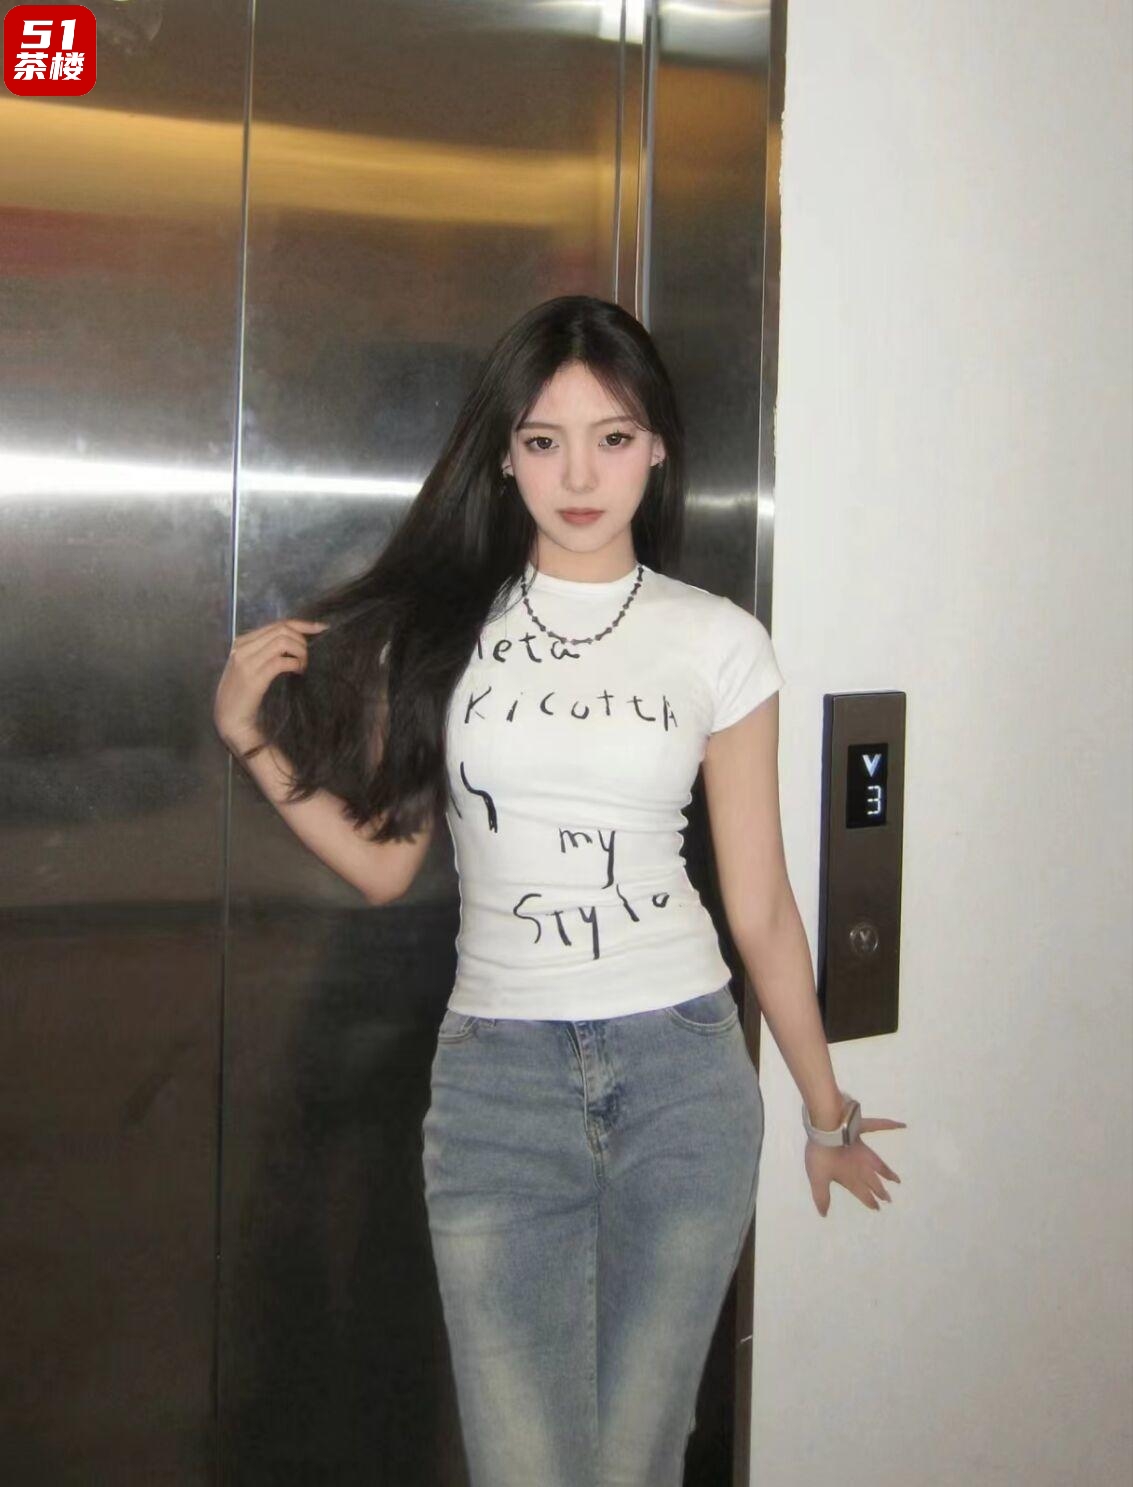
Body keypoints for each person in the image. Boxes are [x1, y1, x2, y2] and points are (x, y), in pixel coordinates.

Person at [212, 294, 905, 1486]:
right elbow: (384, 862)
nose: (579, 475)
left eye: (612, 437)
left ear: (656, 447)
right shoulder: (442, 636)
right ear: (503, 455)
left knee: (634, 1460)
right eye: (544, 440)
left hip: (681, 1077)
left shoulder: (718, 640)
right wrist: (250, 737)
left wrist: (822, 1107)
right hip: (499, 1089)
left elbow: (758, 907)